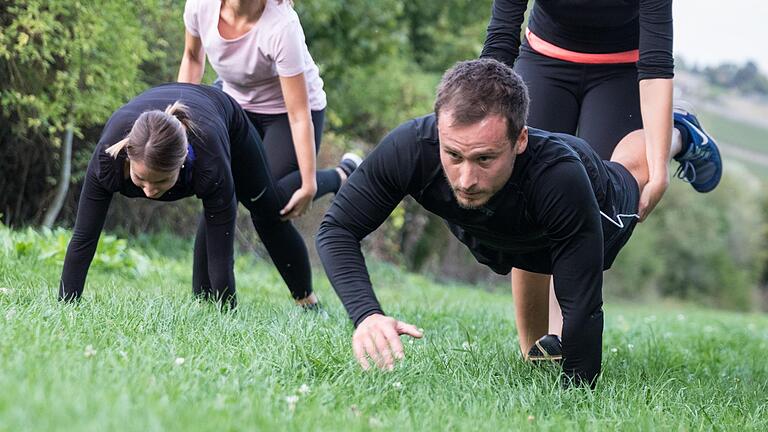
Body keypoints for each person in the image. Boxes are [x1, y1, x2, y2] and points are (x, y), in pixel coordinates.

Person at [315, 59, 722, 387]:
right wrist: (367, 314)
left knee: (633, 169)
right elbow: (337, 230)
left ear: (520, 140)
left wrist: (578, 393)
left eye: (484, 159)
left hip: (596, 200)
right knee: (529, 300)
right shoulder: (412, 148)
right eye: (453, 155)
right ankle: (536, 358)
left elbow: (581, 305)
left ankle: (677, 132)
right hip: (510, 228)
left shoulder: (558, 180)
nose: (465, 179)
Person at [480, 0, 722, 356]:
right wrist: (482, 128)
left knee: (597, 198)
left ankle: (678, 134)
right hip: (544, 59)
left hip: (622, 69)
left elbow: (655, 65)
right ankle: (537, 354)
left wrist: (659, 174)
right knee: (527, 193)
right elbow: (500, 40)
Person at [59, 83, 320, 308]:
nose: (149, 192)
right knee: (203, 292)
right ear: (128, 155)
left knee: (268, 207)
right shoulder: (108, 159)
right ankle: (203, 300)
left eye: (161, 181)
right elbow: (84, 237)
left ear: (183, 162)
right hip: (168, 108)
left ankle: (337, 175)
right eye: (140, 179)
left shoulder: (209, 161)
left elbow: (221, 249)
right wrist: (66, 305)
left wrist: (226, 314)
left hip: (223, 114)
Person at [177, 0, 360, 223]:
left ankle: (342, 175)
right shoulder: (200, 5)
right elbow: (193, 58)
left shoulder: (282, 26)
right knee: (220, 188)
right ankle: (211, 259)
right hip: (238, 101)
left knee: (271, 201)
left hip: (288, 111)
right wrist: (181, 121)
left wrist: (310, 183)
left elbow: (299, 115)